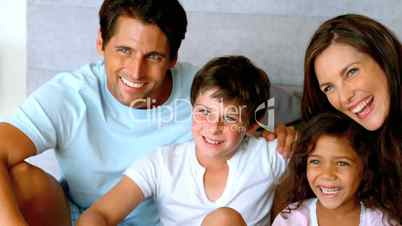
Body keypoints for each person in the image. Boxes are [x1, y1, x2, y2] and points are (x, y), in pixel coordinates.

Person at [76, 55, 288, 226]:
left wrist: (292, 134)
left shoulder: (268, 156)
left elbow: (317, 153)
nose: (214, 127)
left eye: (231, 117)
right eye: (204, 112)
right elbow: (100, 213)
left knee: (224, 220)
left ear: (251, 125)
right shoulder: (163, 162)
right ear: (192, 109)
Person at [300, 13, 402, 222]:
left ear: (384, 58)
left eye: (351, 72)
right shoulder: (353, 140)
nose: (344, 98)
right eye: (329, 88)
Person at [272, 112, 401, 226]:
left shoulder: (382, 221)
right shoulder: (290, 219)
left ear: (365, 170)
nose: (327, 174)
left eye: (342, 163)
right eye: (315, 161)